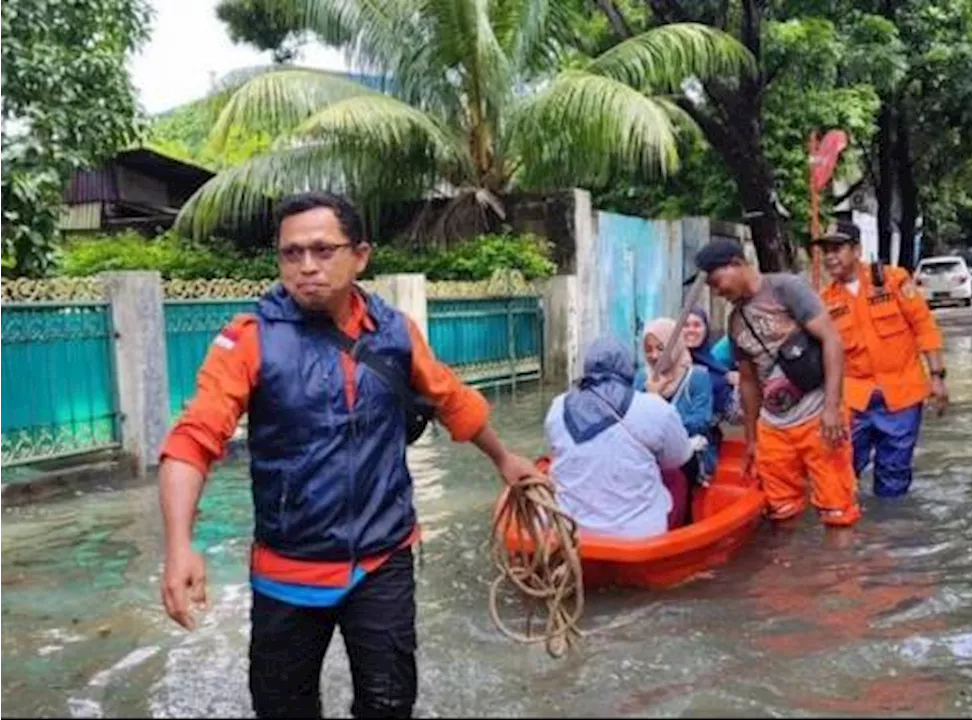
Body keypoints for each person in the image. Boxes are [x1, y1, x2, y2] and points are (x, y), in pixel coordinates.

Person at [156, 191, 539, 719]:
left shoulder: (395, 333)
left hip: (383, 559)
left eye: (322, 249)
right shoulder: (249, 340)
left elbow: (452, 399)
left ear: (360, 255)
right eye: (292, 253)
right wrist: (179, 545)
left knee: (389, 705)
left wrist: (504, 459)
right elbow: (192, 441)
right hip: (287, 570)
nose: (306, 266)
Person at [693, 238, 860, 527]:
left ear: (736, 264)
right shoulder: (735, 322)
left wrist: (832, 408)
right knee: (780, 512)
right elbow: (747, 381)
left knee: (838, 512)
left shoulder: (786, 289)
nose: (717, 291)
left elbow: (832, 340)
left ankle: (840, 569)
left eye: (717, 282)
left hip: (817, 415)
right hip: (774, 427)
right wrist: (752, 439)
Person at [815, 223, 948, 498]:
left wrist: (937, 377)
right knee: (841, 471)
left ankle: (891, 535)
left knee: (894, 475)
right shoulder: (824, 302)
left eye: (837, 249)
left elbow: (924, 326)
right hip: (853, 400)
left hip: (901, 395)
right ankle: (848, 531)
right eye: (825, 250)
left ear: (857, 250)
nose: (830, 257)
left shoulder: (893, 281)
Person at [545, 336, 694, 536]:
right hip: (638, 534)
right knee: (676, 477)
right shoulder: (654, 407)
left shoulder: (557, 406)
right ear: (628, 369)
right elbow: (678, 457)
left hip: (570, 531)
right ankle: (677, 540)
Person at [637, 316, 718, 480]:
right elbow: (633, 420)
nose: (654, 356)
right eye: (648, 350)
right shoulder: (642, 378)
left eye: (661, 348)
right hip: (650, 452)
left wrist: (659, 411)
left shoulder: (697, 376)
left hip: (688, 453)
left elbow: (701, 421)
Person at [681, 308, 739, 423]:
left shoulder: (717, 368)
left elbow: (732, 415)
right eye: (685, 325)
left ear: (706, 330)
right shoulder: (668, 364)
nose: (691, 330)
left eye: (697, 325)